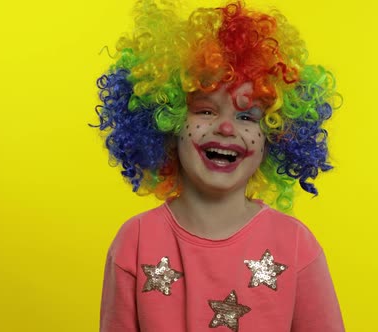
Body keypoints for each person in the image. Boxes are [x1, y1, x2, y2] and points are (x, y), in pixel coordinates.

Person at [91, 1, 344, 331]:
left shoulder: (295, 245)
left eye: (246, 117)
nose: (226, 128)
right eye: (206, 111)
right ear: (168, 122)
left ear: (275, 135)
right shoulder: (136, 241)